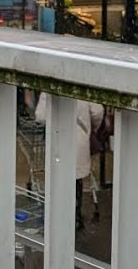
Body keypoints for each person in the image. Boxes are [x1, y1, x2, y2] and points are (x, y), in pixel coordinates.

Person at [34, 92, 105, 231]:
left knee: (58, 178)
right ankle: (75, 215)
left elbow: (40, 116)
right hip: (79, 138)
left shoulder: (50, 86)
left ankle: (58, 214)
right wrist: (90, 128)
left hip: (58, 138)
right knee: (75, 179)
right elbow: (98, 111)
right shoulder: (83, 83)